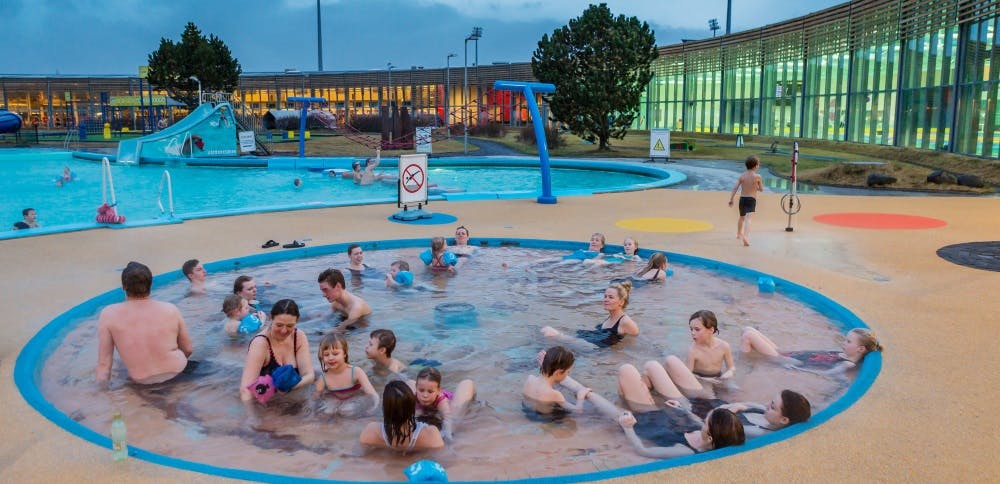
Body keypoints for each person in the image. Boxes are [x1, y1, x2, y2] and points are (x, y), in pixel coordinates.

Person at [96, 261, 193, 385]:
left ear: (123, 287)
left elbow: (104, 365)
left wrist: (101, 393)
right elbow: (188, 349)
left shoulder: (108, 314)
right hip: (180, 373)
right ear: (150, 285)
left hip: (144, 384)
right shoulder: (170, 309)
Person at [634, 310, 735, 401]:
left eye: (697, 329)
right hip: (702, 379)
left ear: (711, 330)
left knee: (734, 391)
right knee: (710, 398)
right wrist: (706, 380)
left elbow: (731, 367)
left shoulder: (724, 346)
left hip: (719, 377)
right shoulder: (693, 351)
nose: (692, 333)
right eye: (691, 329)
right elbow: (688, 375)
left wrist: (728, 373)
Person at [239, 299, 315, 403]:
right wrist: (251, 418)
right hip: (266, 405)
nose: (284, 331)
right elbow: (245, 391)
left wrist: (288, 388)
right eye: (279, 325)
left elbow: (309, 375)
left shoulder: (299, 337)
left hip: (292, 400)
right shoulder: (260, 344)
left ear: (297, 321)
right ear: (271, 318)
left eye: (290, 326)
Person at [741, 326, 883, 375]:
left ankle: (744, 364)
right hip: (788, 353)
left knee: (748, 336)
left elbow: (827, 374)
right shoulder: (841, 353)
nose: (844, 343)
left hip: (789, 360)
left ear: (860, 349)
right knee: (748, 330)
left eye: (848, 341)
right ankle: (748, 360)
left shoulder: (847, 364)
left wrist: (797, 370)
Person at [541, 281, 639, 348]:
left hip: (594, 349)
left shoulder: (625, 321)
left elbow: (634, 342)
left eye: (610, 297)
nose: (606, 299)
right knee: (547, 334)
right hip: (590, 341)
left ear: (621, 302)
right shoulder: (610, 317)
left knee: (552, 334)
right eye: (605, 296)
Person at [618, 407, 745, 458]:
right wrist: (683, 410)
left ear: (710, 438)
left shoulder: (686, 451)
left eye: (705, 422)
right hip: (661, 421)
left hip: (643, 428)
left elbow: (643, 451)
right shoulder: (715, 437)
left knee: (616, 412)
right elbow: (700, 423)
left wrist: (628, 427)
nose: (703, 422)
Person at [360, 380, 445, 451]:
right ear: (413, 406)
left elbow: (356, 456)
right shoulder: (430, 435)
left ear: (385, 408)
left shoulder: (371, 432)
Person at [314, 333, 379, 416]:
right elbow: (315, 398)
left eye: (335, 354)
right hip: (335, 399)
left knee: (347, 410)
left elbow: (372, 394)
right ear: (322, 357)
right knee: (327, 411)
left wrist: (373, 409)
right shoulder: (323, 378)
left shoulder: (356, 372)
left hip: (355, 398)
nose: (330, 358)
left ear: (344, 354)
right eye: (326, 355)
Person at [522, 346, 591, 415]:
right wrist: (580, 397)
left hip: (527, 411)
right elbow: (577, 411)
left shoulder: (530, 379)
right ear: (558, 373)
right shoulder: (555, 394)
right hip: (544, 418)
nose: (567, 375)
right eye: (568, 372)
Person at [410, 367, 475, 441]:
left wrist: (447, 436)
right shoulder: (416, 397)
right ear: (416, 387)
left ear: (438, 390)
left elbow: (447, 417)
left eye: (430, 391)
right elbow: (414, 417)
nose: (425, 395)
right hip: (427, 408)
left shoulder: (441, 401)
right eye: (421, 390)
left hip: (446, 402)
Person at [716, 390, 812, 438]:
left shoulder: (758, 432)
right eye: (771, 402)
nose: (767, 405)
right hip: (721, 410)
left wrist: (732, 409)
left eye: (773, 407)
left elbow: (718, 424)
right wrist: (736, 406)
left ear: (784, 420)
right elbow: (748, 404)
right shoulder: (768, 415)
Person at [728, 155, 764, 247]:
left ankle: (739, 234)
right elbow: (761, 189)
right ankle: (746, 236)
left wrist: (731, 199)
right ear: (756, 165)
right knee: (748, 218)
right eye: (758, 164)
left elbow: (735, 187)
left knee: (742, 217)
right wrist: (756, 186)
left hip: (742, 199)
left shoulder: (742, 176)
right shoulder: (758, 176)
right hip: (751, 199)